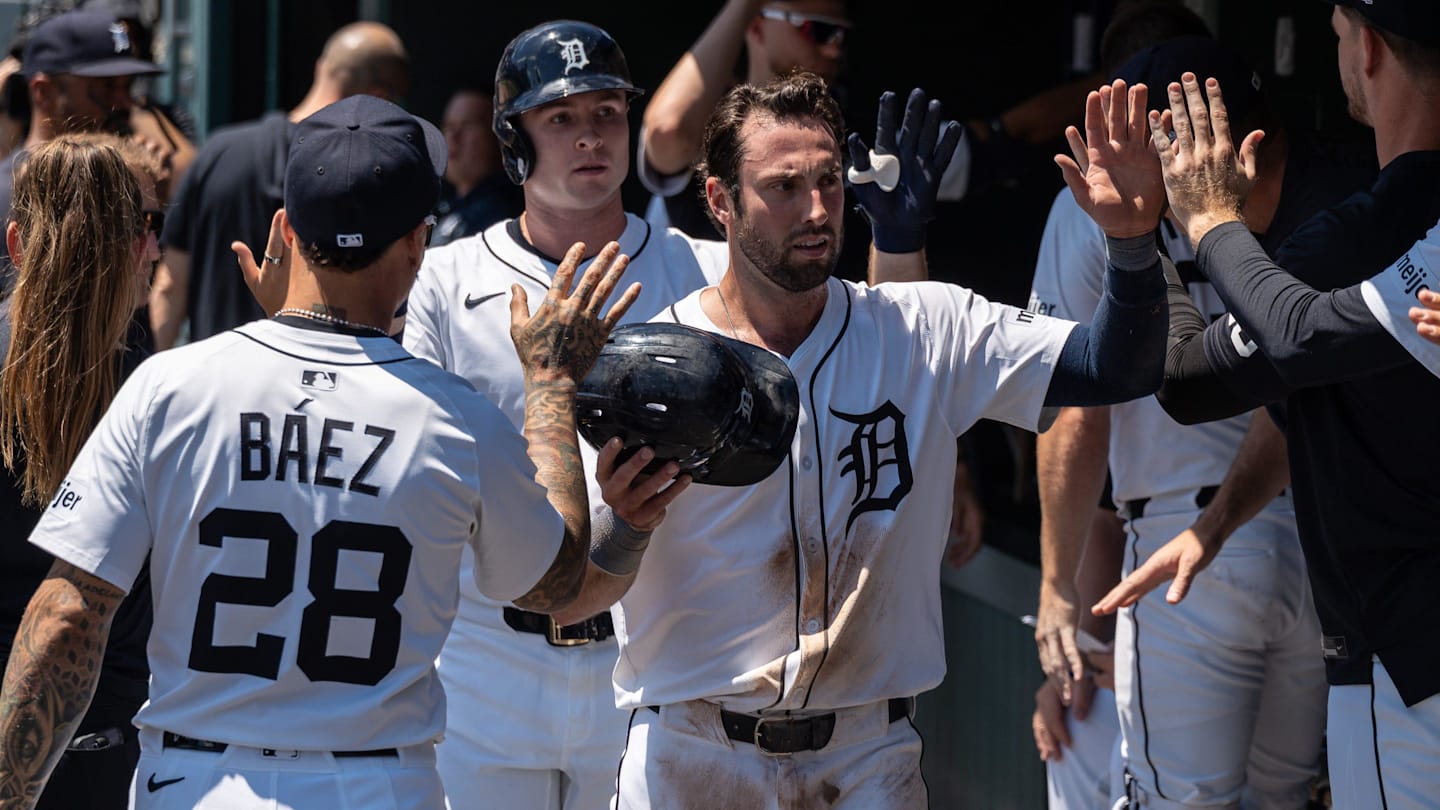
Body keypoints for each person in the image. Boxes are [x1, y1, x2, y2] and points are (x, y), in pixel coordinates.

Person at [542, 68, 1171, 808]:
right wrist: (627, 528)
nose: (816, 210)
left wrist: (1130, 241)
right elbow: (571, 600)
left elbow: (1117, 366)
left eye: (828, 183)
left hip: (867, 759)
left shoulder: (923, 326)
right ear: (720, 201)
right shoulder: (647, 371)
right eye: (782, 187)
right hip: (691, 757)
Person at [0, 93, 631, 810]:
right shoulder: (457, 421)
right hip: (377, 784)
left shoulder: (171, 387)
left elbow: (66, 618)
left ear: (285, 229)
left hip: (198, 783)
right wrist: (549, 387)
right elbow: (555, 589)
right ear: (418, 243)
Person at [1089, 1, 1440, 805]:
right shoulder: (1359, 214)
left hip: (1407, 663)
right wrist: (1214, 526)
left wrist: (1177, 228)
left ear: (1373, 50)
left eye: (1339, 33)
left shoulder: (1356, 230)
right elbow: (1300, 383)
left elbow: (1216, 367)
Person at [1031, 32, 1364, 809]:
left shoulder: (1096, 206)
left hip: (1182, 550)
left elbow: (1077, 413)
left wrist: (1057, 589)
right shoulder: (1334, 200)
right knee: (1279, 800)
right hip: (1311, 539)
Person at [401, 21, 727, 809]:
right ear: (516, 143)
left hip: (653, 644)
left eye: (607, 114)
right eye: (562, 119)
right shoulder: (445, 278)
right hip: (486, 654)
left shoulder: (705, 265)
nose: (591, 137)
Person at [0, 134, 159, 810]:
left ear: (14, 243)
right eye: (152, 226)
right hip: (114, 753)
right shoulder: (159, 389)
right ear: (138, 249)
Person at [151, 20, 409, 350]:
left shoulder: (219, 151)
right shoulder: (363, 176)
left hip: (213, 386)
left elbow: (169, 287)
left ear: (322, 68)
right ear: (379, 96)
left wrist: (151, 380)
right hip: (312, 389)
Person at [0, 8, 163, 283]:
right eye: (106, 88)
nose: (124, 102)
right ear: (43, 92)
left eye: (129, 86)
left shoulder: (134, 182)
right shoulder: (8, 193)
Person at [430, 82, 522, 247]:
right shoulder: (442, 210)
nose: (453, 137)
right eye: (449, 126)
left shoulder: (503, 219)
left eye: (467, 125)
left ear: (499, 137)